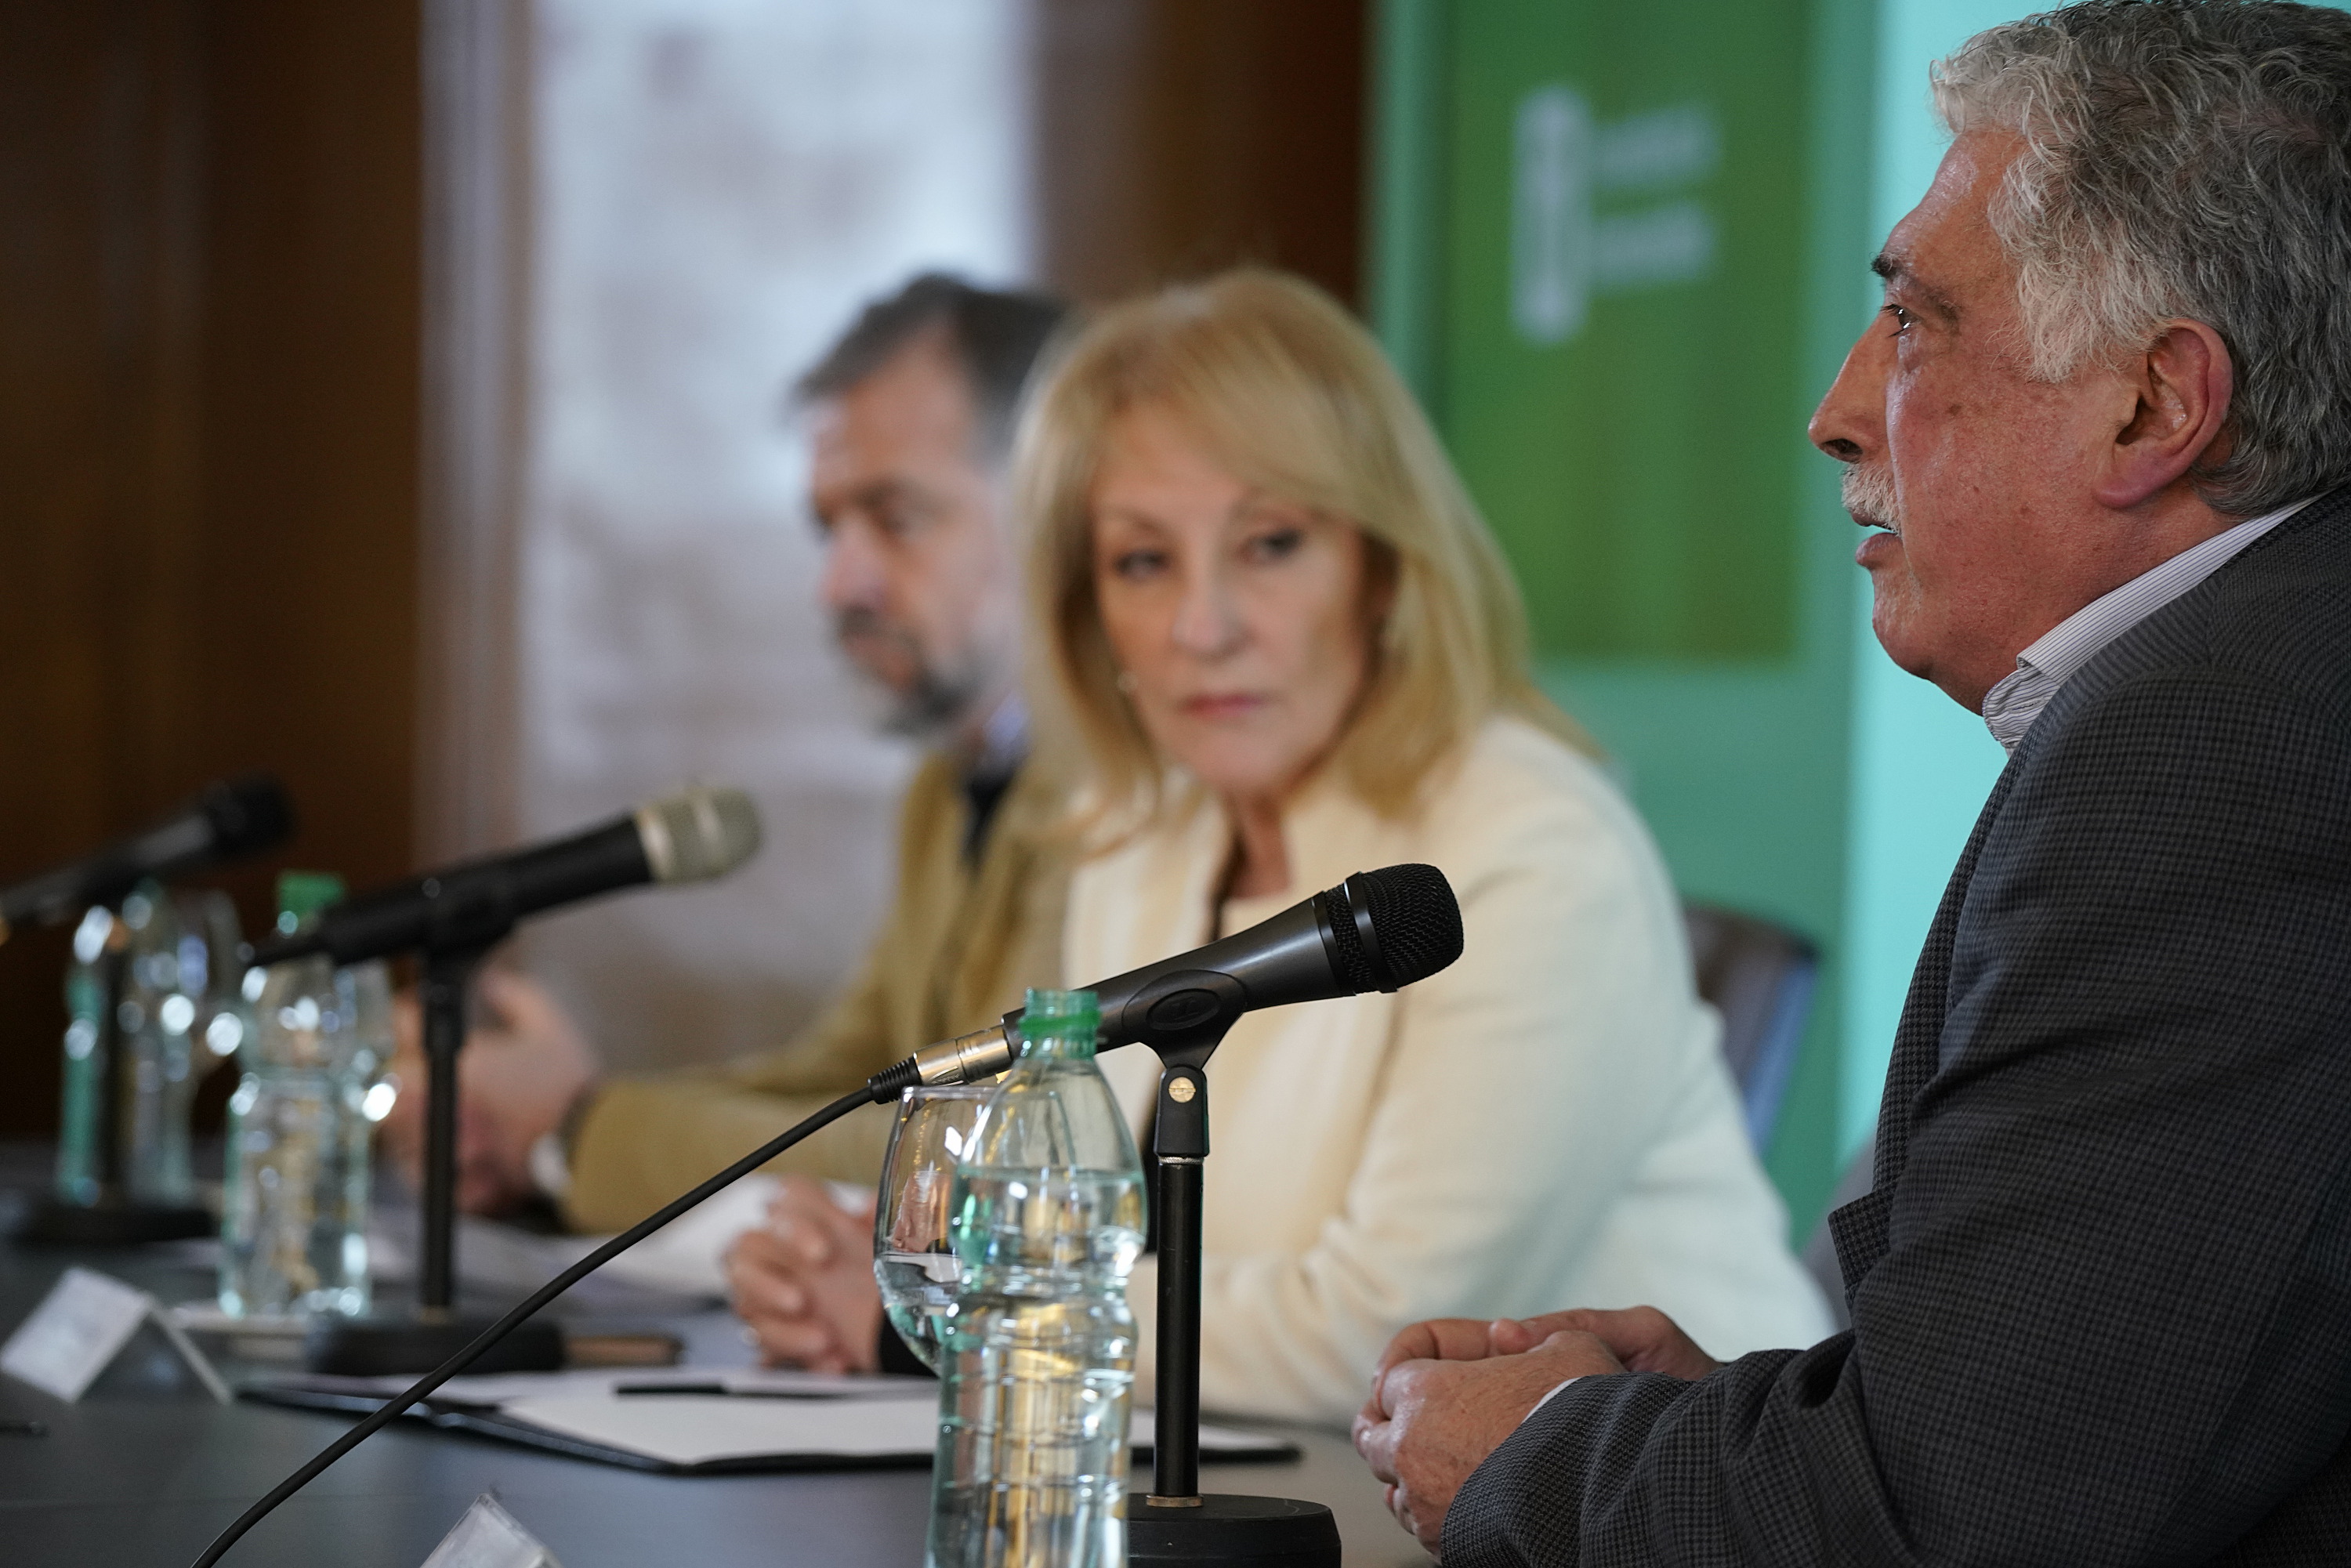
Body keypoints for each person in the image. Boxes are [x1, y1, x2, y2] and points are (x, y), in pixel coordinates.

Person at [1354, 2, 2351, 1560]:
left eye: (1915, 321)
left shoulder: (2213, 754)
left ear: (2154, 404)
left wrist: (1538, 1454)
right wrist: (1733, 1419)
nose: (1835, 412)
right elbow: (2112, 1427)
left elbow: (1949, 1525)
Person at [734, 266, 1831, 1420]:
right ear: (1084, 607)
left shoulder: (1536, 847)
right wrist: (876, 1265)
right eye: (1143, 562)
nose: (1206, 627)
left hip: (1670, 1519)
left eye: (1269, 545)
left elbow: (1381, 1335)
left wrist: (964, 1325)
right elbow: (1096, 1219)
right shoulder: (1137, 834)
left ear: (1379, 568)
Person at [382, 274, 1073, 1259]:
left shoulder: (1127, 791)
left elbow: (991, 1152)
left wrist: (578, 1132)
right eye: (828, 526)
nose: (842, 583)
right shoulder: (945, 783)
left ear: (1057, 503)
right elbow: (848, 1078)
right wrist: (546, 1120)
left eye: (897, 517)